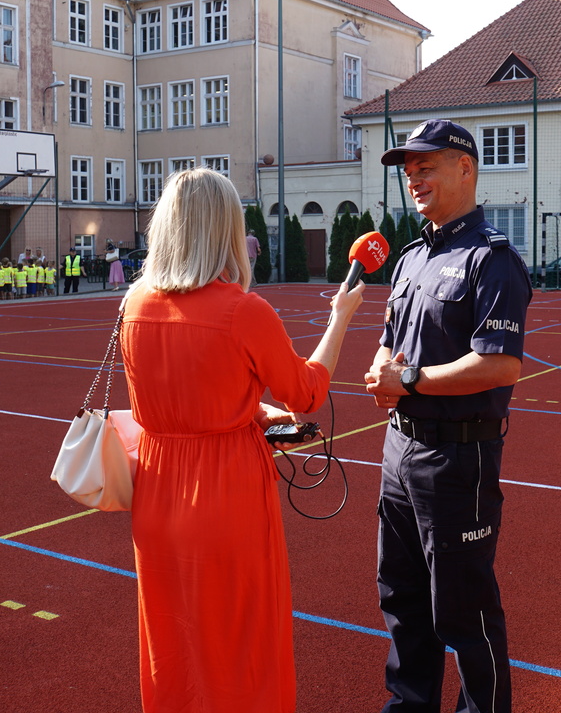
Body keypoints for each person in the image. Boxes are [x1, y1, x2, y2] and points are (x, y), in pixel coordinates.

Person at [119, 167, 364, 713]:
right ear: (227, 231)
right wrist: (340, 319)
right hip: (225, 494)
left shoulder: (134, 304)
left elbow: (178, 392)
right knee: (242, 644)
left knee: (172, 641)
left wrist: (247, 408)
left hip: (156, 491)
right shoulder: (242, 311)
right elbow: (305, 393)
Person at [363, 119, 532, 713]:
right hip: (399, 453)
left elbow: (500, 365)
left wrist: (406, 380)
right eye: (409, 170)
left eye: (426, 166)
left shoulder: (493, 260)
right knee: (403, 602)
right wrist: (384, 367)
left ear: (466, 167)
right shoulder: (411, 258)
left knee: (465, 612)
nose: (414, 178)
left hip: (459, 459)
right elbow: (390, 337)